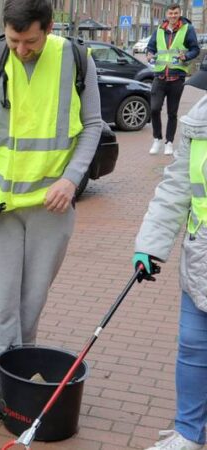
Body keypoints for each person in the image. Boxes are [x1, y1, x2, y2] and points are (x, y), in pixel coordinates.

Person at [0, 0, 102, 422]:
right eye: (13, 40)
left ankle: (17, 373)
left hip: (50, 209)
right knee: (0, 303)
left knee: (31, 301)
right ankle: (3, 380)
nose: (20, 50)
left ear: (49, 29)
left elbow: (93, 126)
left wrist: (71, 179)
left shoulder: (77, 59)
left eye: (30, 41)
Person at [134, 57, 207, 450]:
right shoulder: (199, 120)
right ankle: (190, 432)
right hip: (201, 259)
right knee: (193, 347)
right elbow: (176, 188)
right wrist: (150, 246)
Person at [146, 3, 200, 155]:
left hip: (177, 77)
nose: (173, 16)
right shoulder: (159, 29)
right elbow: (151, 47)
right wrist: (149, 53)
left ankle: (169, 142)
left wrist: (186, 56)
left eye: (175, 13)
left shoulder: (187, 29)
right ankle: (157, 139)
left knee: (172, 112)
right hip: (160, 75)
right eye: (170, 13)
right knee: (155, 109)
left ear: (179, 13)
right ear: (166, 14)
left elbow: (195, 49)